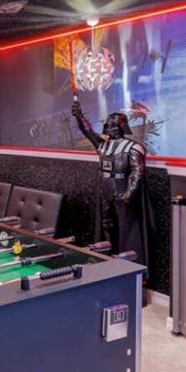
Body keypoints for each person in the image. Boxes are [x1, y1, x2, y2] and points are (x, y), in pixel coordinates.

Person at [71, 101, 153, 266]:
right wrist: (79, 116)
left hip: (121, 186)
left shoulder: (133, 147)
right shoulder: (103, 144)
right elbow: (88, 131)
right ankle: (107, 254)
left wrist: (129, 192)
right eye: (107, 125)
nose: (108, 128)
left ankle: (125, 260)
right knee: (106, 223)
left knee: (125, 225)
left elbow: (137, 172)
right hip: (105, 187)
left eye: (112, 125)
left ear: (121, 127)